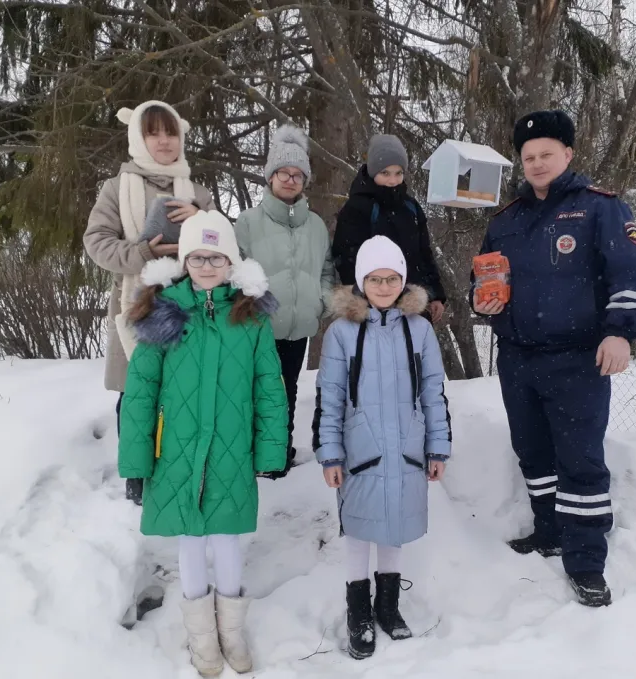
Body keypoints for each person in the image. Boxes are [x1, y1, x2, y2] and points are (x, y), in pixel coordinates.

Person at [471, 110, 636, 607]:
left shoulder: (600, 208)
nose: (536, 163)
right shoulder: (506, 219)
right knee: (533, 453)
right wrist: (482, 301)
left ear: (568, 154)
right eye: (528, 156)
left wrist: (620, 333)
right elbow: (485, 280)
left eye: (546, 154)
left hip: (578, 359)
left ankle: (586, 560)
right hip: (517, 359)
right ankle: (549, 531)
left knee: (580, 460)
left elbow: (632, 274)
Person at [118, 210, 287, 676]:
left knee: (227, 536)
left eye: (216, 257)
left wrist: (271, 448)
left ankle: (231, 630)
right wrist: (137, 458)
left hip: (232, 447)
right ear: (184, 261)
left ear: (231, 261)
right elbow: (141, 391)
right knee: (191, 538)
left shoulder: (250, 316)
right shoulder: (164, 312)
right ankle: (201, 636)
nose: (207, 266)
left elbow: (268, 386)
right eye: (197, 257)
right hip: (178, 448)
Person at [313, 236, 451, 659]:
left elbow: (433, 391)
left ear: (403, 280)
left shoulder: (419, 329)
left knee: (395, 525)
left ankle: (387, 606)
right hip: (361, 449)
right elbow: (330, 396)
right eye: (375, 278)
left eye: (392, 278)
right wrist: (330, 453)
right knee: (360, 527)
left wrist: (438, 447)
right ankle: (358, 611)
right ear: (361, 281)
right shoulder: (341, 332)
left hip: (408, 445)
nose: (385, 286)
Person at [84, 100, 215, 505]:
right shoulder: (116, 188)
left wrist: (201, 218)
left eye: (170, 132)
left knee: (181, 392)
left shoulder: (198, 193)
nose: (163, 140)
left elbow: (224, 246)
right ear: (138, 138)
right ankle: (137, 476)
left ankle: (176, 465)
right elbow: (96, 242)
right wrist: (142, 253)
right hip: (135, 304)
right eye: (153, 132)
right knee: (136, 394)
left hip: (187, 306)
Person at [234, 124, 334, 478]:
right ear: (271, 176)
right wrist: (250, 308)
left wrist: (320, 302)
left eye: (297, 175)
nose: (291, 180)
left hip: (298, 327)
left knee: (286, 391)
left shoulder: (316, 226)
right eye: (284, 173)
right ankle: (248, 454)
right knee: (254, 391)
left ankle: (278, 455)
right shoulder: (248, 222)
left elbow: (327, 270)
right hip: (258, 328)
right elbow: (234, 270)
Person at [332, 134, 447, 323]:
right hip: (372, 306)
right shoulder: (357, 207)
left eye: (398, 173)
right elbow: (346, 258)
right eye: (385, 173)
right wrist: (365, 300)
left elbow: (424, 254)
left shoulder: (411, 207)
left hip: (413, 304)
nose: (393, 180)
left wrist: (435, 294)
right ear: (373, 172)